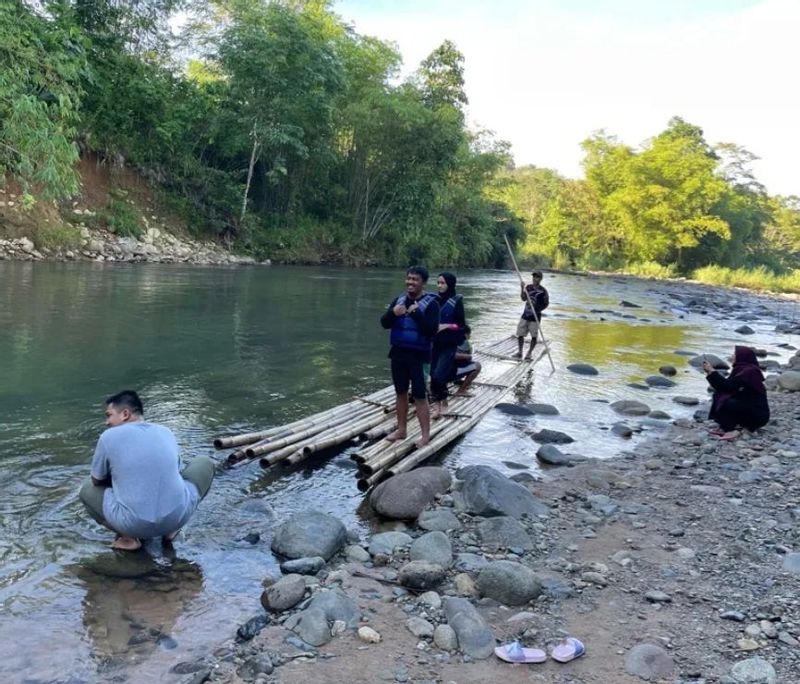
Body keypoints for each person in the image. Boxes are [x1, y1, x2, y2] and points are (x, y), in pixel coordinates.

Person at [79, 390, 215, 551]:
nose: (106, 422)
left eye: (109, 415)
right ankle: (170, 532)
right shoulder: (166, 432)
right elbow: (176, 472)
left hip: (134, 525)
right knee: (204, 462)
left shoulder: (108, 436)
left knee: (86, 489)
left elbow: (97, 480)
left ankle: (128, 538)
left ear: (125, 414)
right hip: (177, 518)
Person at [380, 266, 440, 446]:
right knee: (400, 392)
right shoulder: (398, 301)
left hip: (419, 356)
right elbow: (384, 323)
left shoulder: (432, 304)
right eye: (409, 278)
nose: (410, 282)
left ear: (423, 283)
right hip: (398, 353)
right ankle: (401, 430)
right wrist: (393, 313)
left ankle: (425, 436)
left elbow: (431, 330)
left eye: (415, 279)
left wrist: (416, 313)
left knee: (420, 396)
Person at [702, 346, 770, 441]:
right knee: (719, 395)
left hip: (757, 414)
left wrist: (713, 371)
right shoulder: (742, 369)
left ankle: (736, 429)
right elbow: (724, 387)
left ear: (742, 357)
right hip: (747, 406)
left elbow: (727, 386)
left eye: (735, 355)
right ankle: (727, 426)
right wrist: (710, 373)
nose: (732, 356)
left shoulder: (749, 371)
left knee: (728, 402)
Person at [429, 272, 466, 419]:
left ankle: (443, 403)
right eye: (438, 283)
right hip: (434, 343)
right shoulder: (434, 300)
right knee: (433, 374)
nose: (439, 286)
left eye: (443, 283)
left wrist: (447, 325)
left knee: (439, 374)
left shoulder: (456, 301)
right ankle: (438, 404)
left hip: (449, 343)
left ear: (450, 284)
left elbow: (461, 325)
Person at [515, 269, 549, 360]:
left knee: (534, 336)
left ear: (540, 279)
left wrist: (538, 310)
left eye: (537, 277)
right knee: (520, 334)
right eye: (534, 276)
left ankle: (529, 353)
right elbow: (523, 298)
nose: (534, 278)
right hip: (525, 315)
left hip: (535, 317)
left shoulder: (543, 291)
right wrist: (522, 288)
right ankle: (520, 352)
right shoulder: (528, 287)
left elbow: (546, 303)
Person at [452, 324, 481, 396]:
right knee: (477, 366)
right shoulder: (464, 342)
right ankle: (461, 390)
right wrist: (467, 356)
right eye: (469, 334)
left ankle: (457, 380)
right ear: (465, 334)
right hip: (447, 373)